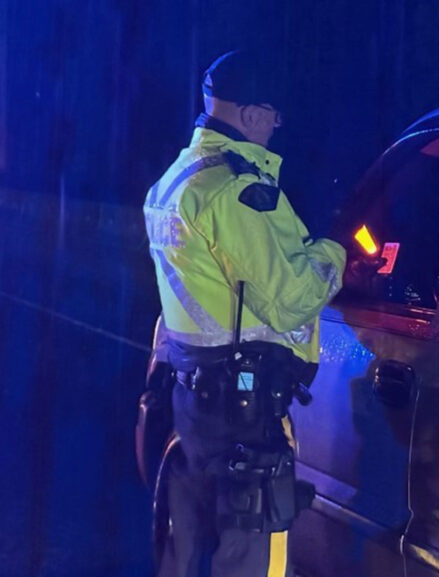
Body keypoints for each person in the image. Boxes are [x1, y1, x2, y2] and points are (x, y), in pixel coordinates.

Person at [144, 49, 346, 577]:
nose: (277, 128)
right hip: (243, 415)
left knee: (185, 551)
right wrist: (335, 250)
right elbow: (292, 300)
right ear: (253, 114)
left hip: (193, 403)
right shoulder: (234, 193)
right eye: (275, 117)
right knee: (251, 561)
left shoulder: (173, 182)